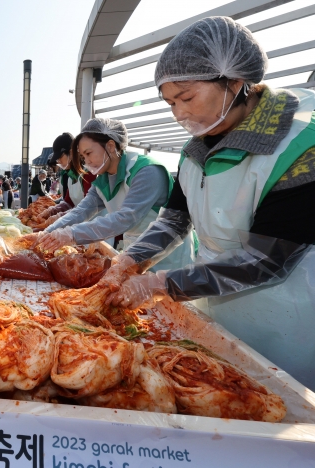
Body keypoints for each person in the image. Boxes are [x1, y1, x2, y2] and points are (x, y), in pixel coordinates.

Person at [100, 17, 315, 389]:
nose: (179, 114)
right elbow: (172, 222)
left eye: (186, 97)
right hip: (210, 304)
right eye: (170, 102)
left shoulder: (299, 145)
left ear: (234, 81)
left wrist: (160, 284)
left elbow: (265, 260)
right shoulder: (194, 150)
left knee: (271, 404)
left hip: (289, 321)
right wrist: (129, 261)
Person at [37, 117, 194, 272]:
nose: (87, 162)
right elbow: (81, 211)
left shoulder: (146, 171)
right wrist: (47, 234)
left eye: (89, 153)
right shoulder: (103, 179)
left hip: (169, 258)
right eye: (83, 157)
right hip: (134, 254)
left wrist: (71, 234)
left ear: (110, 146)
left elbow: (125, 218)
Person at [40, 133, 97, 219]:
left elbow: (89, 207)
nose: (58, 161)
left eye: (60, 157)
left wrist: (60, 216)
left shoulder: (88, 174)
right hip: (83, 224)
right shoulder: (71, 177)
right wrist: (53, 211)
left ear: (71, 152)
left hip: (97, 225)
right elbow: (68, 202)